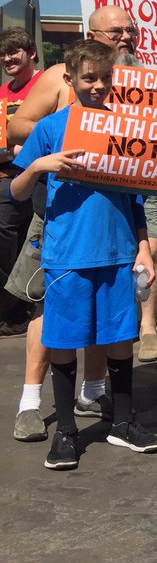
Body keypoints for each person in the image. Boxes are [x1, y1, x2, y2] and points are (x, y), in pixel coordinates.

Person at [11, 39, 157, 469]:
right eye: (89, 78)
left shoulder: (124, 128)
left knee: (119, 339)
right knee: (63, 342)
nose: (98, 86)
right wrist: (40, 166)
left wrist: (144, 250)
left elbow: (136, 201)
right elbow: (16, 190)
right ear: (70, 79)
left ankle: (122, 424)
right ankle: (65, 432)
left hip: (118, 253)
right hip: (67, 255)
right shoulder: (49, 129)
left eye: (105, 78)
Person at [0, 27, 43, 337]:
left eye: (14, 51)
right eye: (3, 53)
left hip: (33, 179)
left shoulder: (48, 84)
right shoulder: (3, 92)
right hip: (5, 177)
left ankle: (16, 311)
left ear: (32, 53)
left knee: (18, 246)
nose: (7, 57)